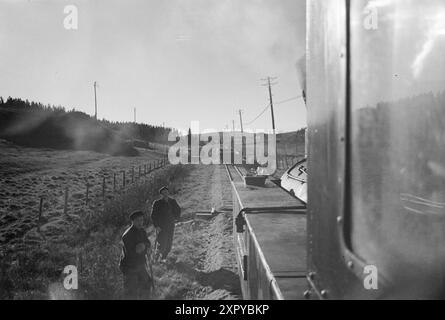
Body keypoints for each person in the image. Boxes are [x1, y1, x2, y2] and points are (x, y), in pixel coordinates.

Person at [119, 210, 153, 299]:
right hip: (129, 267)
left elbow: (147, 242)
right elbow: (132, 254)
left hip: (139, 264)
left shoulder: (142, 231)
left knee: (147, 283)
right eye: (138, 220)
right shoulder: (127, 235)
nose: (140, 222)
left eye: (142, 220)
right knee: (131, 293)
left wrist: (145, 247)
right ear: (132, 221)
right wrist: (141, 248)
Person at [151, 186, 181, 262]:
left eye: (166, 192)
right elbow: (153, 215)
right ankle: (156, 258)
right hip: (161, 226)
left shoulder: (172, 201)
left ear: (168, 193)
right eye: (163, 193)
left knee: (169, 243)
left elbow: (178, 210)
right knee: (162, 243)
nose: (165, 194)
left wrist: (176, 218)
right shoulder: (157, 203)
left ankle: (163, 258)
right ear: (161, 194)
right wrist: (156, 226)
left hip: (171, 225)